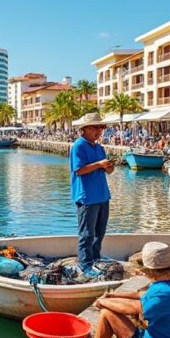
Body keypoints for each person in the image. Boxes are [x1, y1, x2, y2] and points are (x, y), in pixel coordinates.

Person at [70, 112, 114, 272]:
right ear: (85, 129)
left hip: (102, 195)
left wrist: (108, 167)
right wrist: (99, 164)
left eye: (101, 127)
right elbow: (79, 170)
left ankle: (96, 258)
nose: (99, 131)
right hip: (86, 197)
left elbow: (108, 171)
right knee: (87, 234)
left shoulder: (99, 148)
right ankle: (85, 264)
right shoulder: (79, 146)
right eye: (96, 127)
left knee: (99, 233)